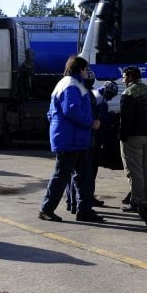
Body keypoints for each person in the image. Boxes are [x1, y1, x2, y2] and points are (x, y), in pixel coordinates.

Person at [39, 56, 103, 223]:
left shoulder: (69, 84)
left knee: (84, 177)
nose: (87, 72)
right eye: (85, 69)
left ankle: (84, 210)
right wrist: (91, 123)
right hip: (71, 139)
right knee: (63, 176)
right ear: (79, 69)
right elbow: (71, 110)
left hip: (74, 138)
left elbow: (50, 113)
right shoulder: (72, 85)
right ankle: (46, 209)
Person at [66, 80, 118, 213]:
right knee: (87, 172)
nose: (111, 98)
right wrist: (113, 117)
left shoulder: (94, 95)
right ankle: (83, 200)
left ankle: (72, 201)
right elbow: (99, 121)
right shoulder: (100, 101)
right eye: (112, 95)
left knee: (74, 172)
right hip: (91, 141)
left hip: (84, 139)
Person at [119, 66, 147, 212]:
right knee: (146, 168)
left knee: (134, 171)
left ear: (129, 77)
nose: (123, 80)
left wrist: (123, 137)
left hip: (134, 137)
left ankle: (137, 202)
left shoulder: (128, 93)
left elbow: (126, 119)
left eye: (123, 77)